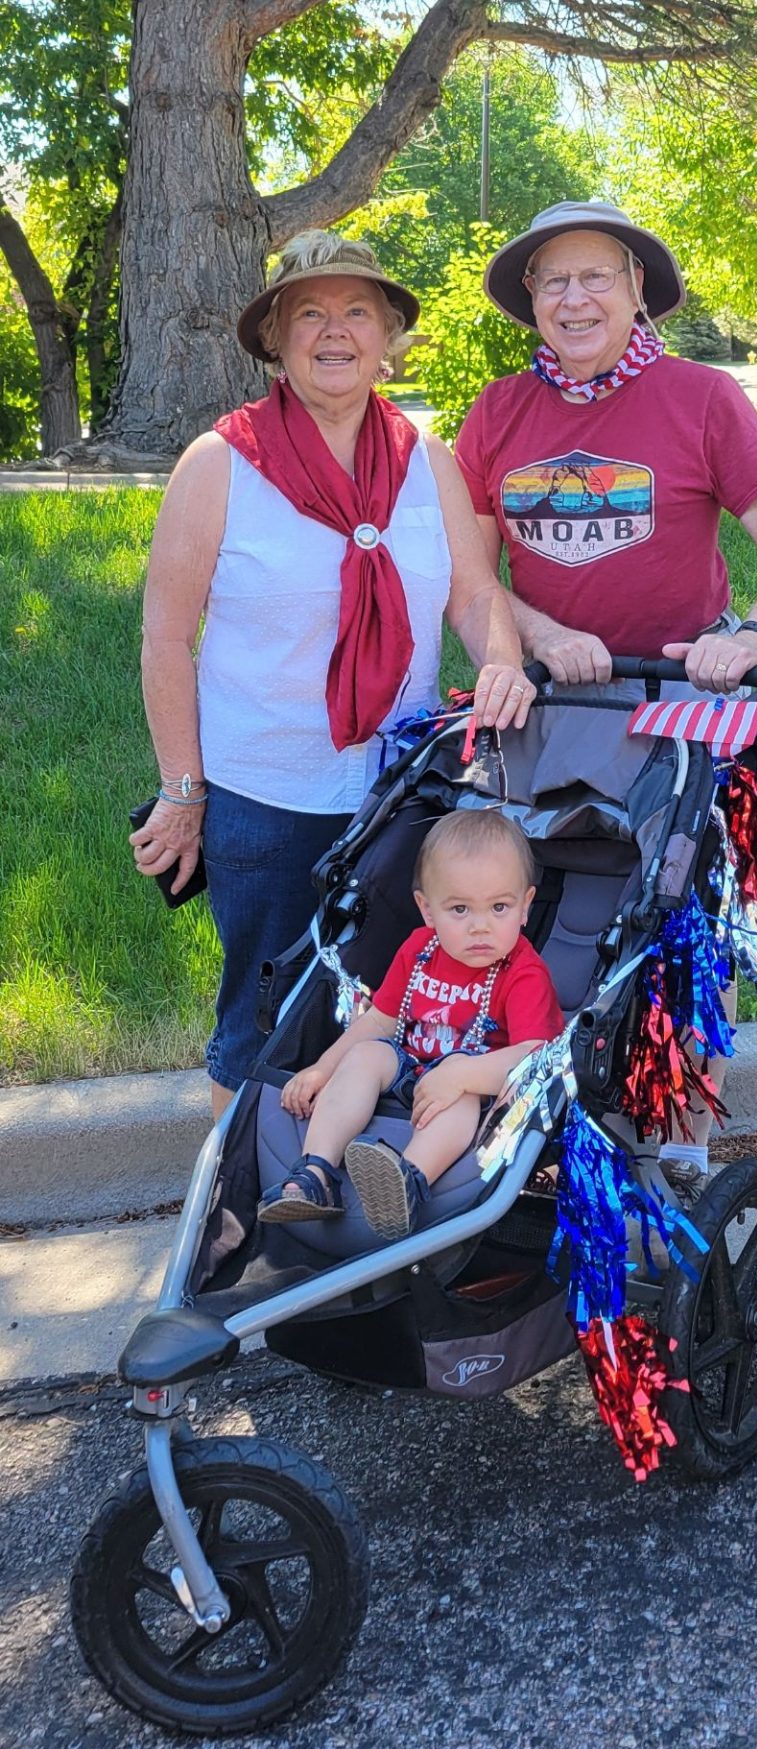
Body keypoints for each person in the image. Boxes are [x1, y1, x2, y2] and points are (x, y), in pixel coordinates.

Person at [130, 230, 539, 1119]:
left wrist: (502, 660)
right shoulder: (220, 463)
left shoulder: (427, 461)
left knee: (389, 1017)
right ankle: (234, 1194)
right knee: (263, 1024)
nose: (335, 330)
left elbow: (474, 593)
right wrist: (182, 790)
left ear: (387, 337)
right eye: (309, 312)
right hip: (265, 798)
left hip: (399, 801)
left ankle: (340, 1184)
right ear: (275, 338)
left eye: (358, 310)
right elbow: (165, 639)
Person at [455, 199, 757, 1190]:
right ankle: (535, 1112)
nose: (574, 299)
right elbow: (470, 580)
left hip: (683, 706)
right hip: (549, 709)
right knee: (538, 913)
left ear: (636, 290)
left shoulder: (703, 399)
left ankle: (685, 1145)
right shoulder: (496, 414)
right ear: (532, 299)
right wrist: (540, 636)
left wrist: (749, 638)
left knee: (691, 922)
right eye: (554, 280)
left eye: (595, 277)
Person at [258, 810, 564, 1241]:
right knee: (367, 1054)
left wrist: (461, 1076)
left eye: (500, 907)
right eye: (460, 909)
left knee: (460, 1095)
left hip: (476, 1089)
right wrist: (323, 1069)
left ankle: (407, 1183)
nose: (480, 926)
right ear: (427, 909)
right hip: (410, 1065)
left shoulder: (523, 972)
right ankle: (316, 1172)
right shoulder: (420, 949)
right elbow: (380, 1020)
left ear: (525, 906)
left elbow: (536, 1055)